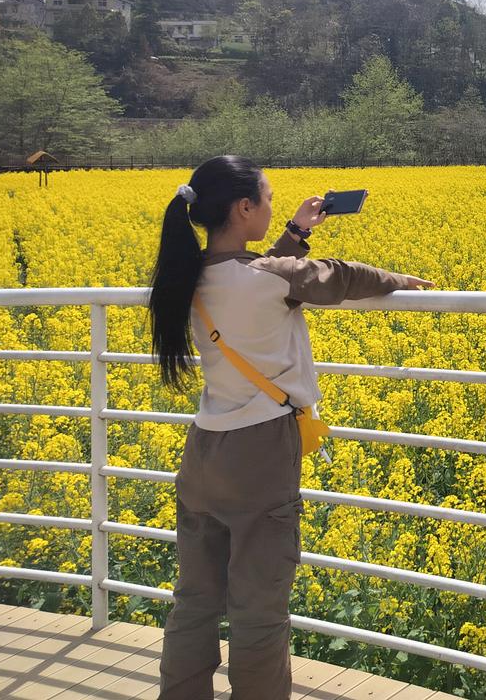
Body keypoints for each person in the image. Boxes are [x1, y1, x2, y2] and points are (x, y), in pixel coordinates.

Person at [148, 155, 433, 700]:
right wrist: (402, 280)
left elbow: (257, 277)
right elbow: (341, 277)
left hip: (204, 451)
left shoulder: (187, 278)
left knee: (196, 600)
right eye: (270, 198)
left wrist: (297, 231)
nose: (274, 206)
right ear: (245, 207)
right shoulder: (268, 278)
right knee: (258, 606)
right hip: (260, 454)